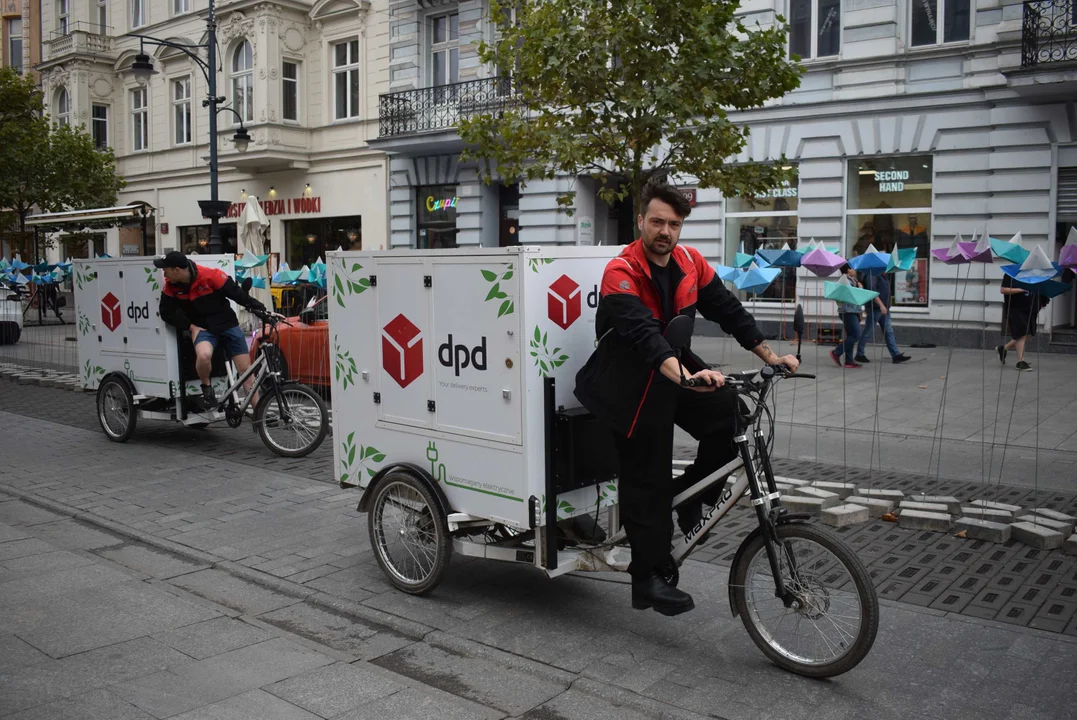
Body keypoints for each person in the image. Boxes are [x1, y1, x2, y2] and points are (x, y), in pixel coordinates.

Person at [574, 180, 799, 617]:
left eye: (674, 224)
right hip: (629, 380)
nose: (665, 231)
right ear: (640, 221)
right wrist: (688, 377)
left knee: (731, 417)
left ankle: (691, 497)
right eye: (657, 221)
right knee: (646, 475)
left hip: (674, 367)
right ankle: (648, 579)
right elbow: (643, 335)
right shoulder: (621, 271)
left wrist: (771, 357)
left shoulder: (690, 261)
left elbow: (728, 310)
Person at [155, 250, 272, 408]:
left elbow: (237, 294)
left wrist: (262, 310)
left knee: (245, 369)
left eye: (166, 269)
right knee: (203, 355)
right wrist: (190, 326)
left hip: (227, 324)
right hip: (203, 329)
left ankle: (258, 410)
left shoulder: (211, 275)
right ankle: (207, 388)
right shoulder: (171, 286)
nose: (164, 273)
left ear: (177, 270)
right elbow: (165, 312)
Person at [854, 271, 910, 364]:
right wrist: (881, 305)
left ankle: (896, 355)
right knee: (868, 331)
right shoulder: (873, 274)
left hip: (884, 308)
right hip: (875, 308)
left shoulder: (884, 275)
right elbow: (872, 291)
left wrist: (885, 306)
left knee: (889, 331)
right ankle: (859, 354)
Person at [996, 274, 1048, 371]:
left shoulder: (1033, 273)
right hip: (1015, 308)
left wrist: (1041, 302)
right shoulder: (1011, 273)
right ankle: (1020, 362)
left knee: (1029, 333)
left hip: (1030, 308)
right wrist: (1021, 289)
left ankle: (1003, 348)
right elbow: (1003, 290)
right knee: (1022, 333)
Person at [830, 265, 863, 369]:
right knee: (856, 335)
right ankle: (837, 352)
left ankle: (849, 360)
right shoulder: (845, 281)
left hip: (852, 311)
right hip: (848, 311)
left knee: (850, 335)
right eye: (853, 268)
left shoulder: (853, 280)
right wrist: (860, 289)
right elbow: (851, 295)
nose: (855, 270)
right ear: (848, 270)